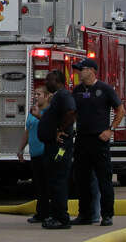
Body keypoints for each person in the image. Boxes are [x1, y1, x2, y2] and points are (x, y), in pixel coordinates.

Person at [71, 59, 124, 227]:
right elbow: (71, 113)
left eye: (82, 69)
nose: (79, 72)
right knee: (82, 179)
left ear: (92, 71)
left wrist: (110, 130)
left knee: (104, 180)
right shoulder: (77, 91)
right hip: (81, 139)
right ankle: (85, 214)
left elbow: (120, 110)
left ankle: (107, 215)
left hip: (99, 140)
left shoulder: (105, 89)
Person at [36, 69, 77, 230]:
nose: (46, 83)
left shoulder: (63, 96)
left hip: (60, 148)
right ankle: (55, 215)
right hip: (51, 146)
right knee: (53, 182)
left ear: (58, 82)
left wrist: (60, 129)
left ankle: (62, 218)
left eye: (49, 80)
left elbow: (72, 112)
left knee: (58, 182)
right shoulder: (57, 97)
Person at [18, 85, 51, 224]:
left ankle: (50, 213)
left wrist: (39, 114)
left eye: (39, 94)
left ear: (47, 96)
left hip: (46, 153)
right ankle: (40, 213)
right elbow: (28, 131)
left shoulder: (49, 111)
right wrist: (20, 149)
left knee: (48, 185)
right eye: (35, 94)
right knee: (38, 185)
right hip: (35, 154)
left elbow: (52, 126)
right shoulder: (32, 112)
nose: (36, 97)